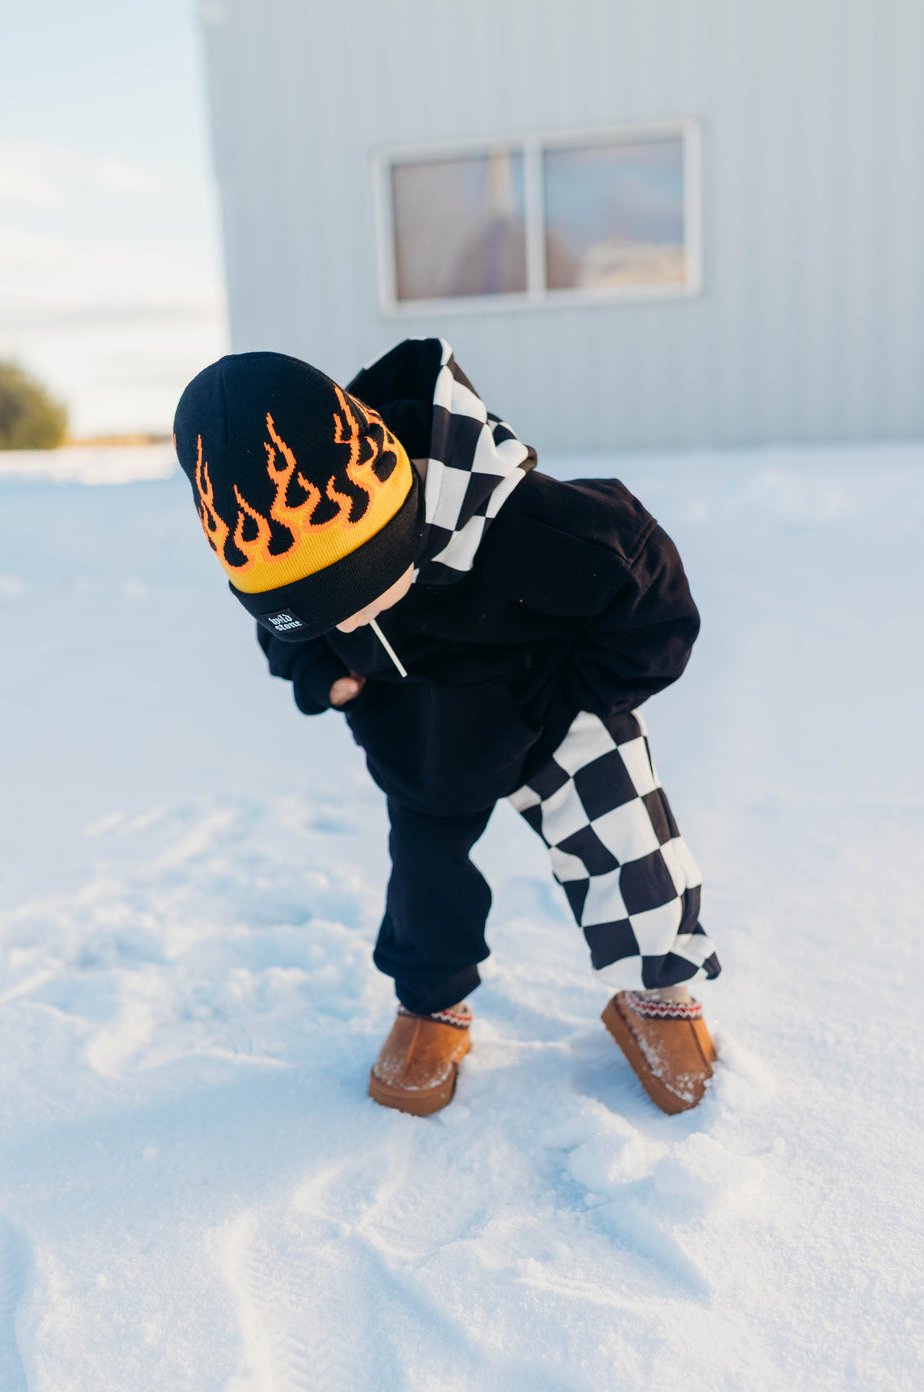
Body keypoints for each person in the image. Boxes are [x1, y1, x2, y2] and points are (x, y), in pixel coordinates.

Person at [173, 339, 720, 1118]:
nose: (351, 620)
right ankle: (432, 1004)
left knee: (631, 846)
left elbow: (650, 590)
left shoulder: (528, 523)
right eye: (326, 611)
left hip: (554, 708)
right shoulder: (283, 539)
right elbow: (286, 632)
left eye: (360, 589)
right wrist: (323, 675)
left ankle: (658, 988)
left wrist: (577, 694)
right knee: (424, 881)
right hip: (420, 727)